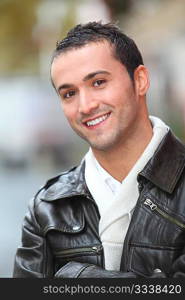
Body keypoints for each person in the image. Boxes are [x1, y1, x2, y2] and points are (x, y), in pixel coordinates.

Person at [13, 21, 185, 278]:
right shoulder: (48, 207)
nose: (85, 106)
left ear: (140, 80)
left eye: (98, 82)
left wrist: (79, 278)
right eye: (69, 93)